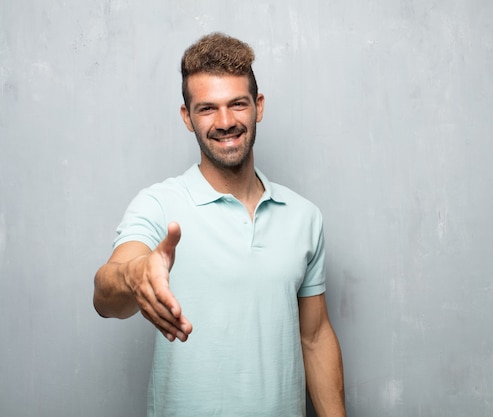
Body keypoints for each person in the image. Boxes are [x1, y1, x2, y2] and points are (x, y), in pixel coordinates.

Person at [93, 33, 345, 417]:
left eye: (237, 104)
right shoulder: (159, 204)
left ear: (258, 106)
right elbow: (105, 295)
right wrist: (135, 275)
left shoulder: (304, 216)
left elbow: (314, 336)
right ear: (187, 117)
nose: (225, 122)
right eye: (207, 108)